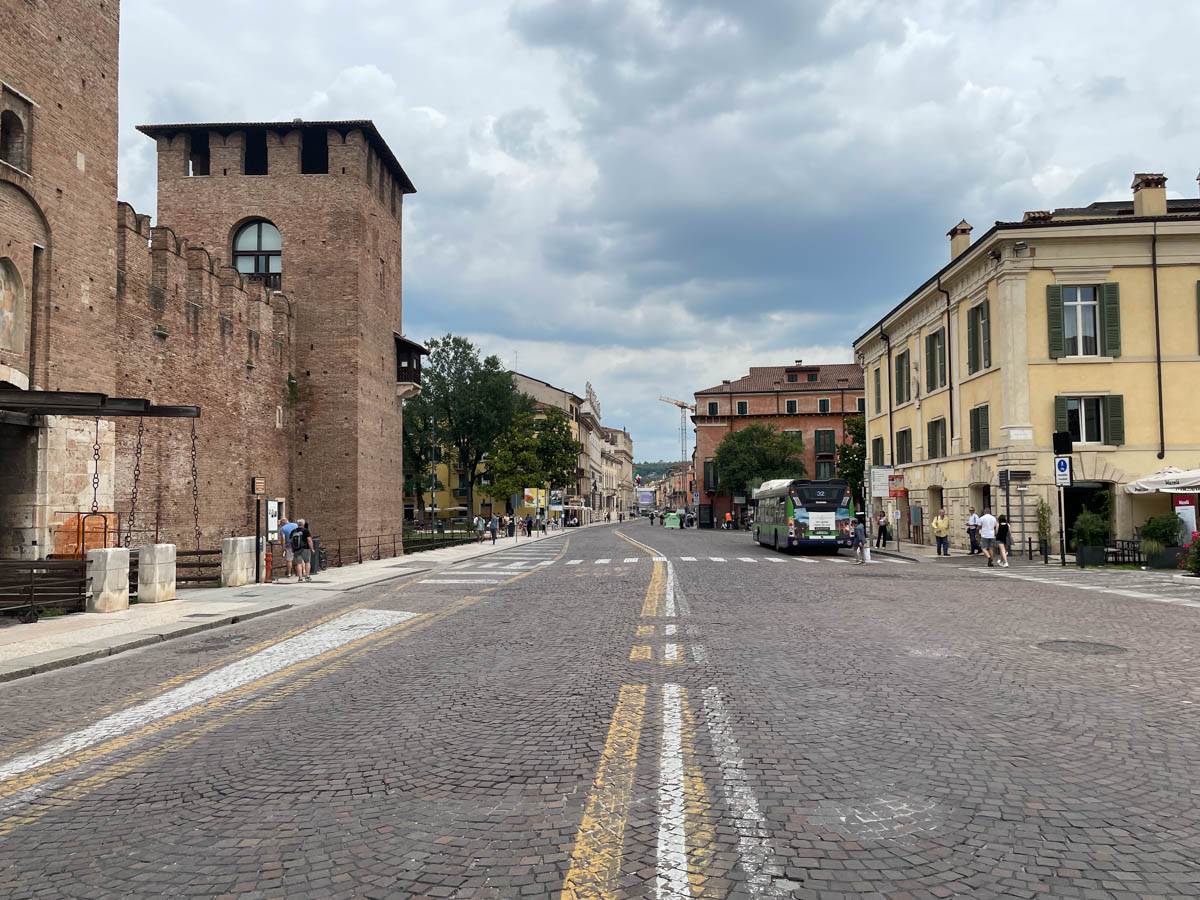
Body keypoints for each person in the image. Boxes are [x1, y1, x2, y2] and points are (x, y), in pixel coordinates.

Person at [290, 517, 313, 582]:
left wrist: (292, 549)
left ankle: (300, 577)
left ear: (297, 524)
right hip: (305, 549)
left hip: (296, 549)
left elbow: (291, 541)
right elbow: (309, 540)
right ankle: (307, 576)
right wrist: (312, 548)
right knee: (307, 562)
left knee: (299, 563)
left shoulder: (293, 531)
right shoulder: (306, 530)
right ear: (303, 524)